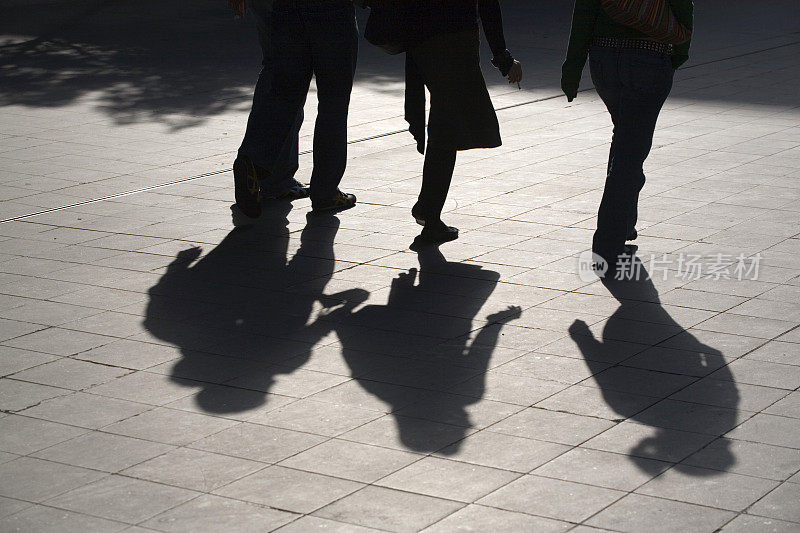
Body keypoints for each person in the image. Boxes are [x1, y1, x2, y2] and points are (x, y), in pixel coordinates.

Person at [561, 0, 693, 271]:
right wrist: (678, 54)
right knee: (629, 156)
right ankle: (608, 247)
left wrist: (572, 68)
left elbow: (584, 12)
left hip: (604, 60)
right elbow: (683, 9)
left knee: (626, 144)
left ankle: (623, 228)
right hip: (648, 57)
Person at [228, 0, 361, 221]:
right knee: (333, 103)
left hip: (286, 9)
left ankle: (254, 158)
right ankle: (325, 192)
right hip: (332, 12)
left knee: (285, 94)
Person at [404, 0, 523, 243]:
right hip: (454, 41)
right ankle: (429, 212)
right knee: (446, 129)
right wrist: (503, 56)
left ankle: (429, 209)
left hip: (420, 40)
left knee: (444, 122)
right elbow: (488, 6)